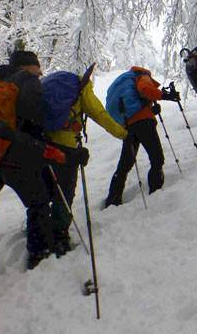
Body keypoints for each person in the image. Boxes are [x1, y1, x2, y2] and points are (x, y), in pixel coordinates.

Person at [0, 79, 69, 304]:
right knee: (37, 202)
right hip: (8, 159)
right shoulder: (17, 89)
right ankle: (39, 253)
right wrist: (45, 150)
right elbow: (7, 138)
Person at [44, 70, 127, 255]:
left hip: (44, 144)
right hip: (67, 147)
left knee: (47, 190)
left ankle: (40, 233)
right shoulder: (82, 89)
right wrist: (123, 133)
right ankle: (59, 238)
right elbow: (99, 113)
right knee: (65, 193)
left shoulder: (49, 85)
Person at [104, 67, 179, 207]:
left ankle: (112, 200)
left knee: (124, 165)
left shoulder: (126, 81)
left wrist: (151, 110)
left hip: (128, 125)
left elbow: (135, 103)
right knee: (157, 158)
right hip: (144, 123)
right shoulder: (143, 76)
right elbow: (145, 89)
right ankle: (155, 194)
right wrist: (164, 95)